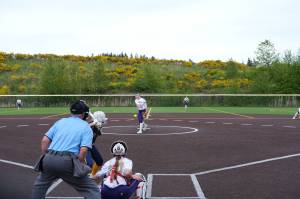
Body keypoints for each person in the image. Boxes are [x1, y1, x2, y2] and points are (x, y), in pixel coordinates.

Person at [32, 100, 101, 199]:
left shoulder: (60, 121)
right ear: (84, 114)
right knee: (91, 189)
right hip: (67, 161)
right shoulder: (86, 127)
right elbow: (83, 151)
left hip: (48, 159)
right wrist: (80, 164)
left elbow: (44, 141)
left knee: (40, 186)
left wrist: (46, 156)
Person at [86, 111, 108, 176]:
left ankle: (93, 174)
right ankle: (84, 176)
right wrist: (93, 124)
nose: (104, 121)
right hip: (83, 146)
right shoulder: (89, 125)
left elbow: (99, 133)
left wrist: (98, 126)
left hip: (91, 145)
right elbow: (84, 128)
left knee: (99, 161)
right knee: (90, 164)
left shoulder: (97, 125)